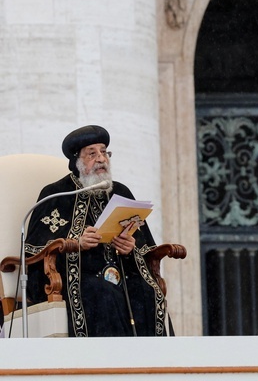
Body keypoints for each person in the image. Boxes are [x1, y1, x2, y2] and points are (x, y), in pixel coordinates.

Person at [25, 125, 171, 337]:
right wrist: (76, 242)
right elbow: (34, 248)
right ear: (76, 161)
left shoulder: (120, 191)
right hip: (75, 277)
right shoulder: (55, 194)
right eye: (92, 153)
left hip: (121, 272)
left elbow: (143, 242)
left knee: (147, 292)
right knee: (103, 293)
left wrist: (131, 247)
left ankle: (148, 365)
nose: (101, 158)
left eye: (104, 152)